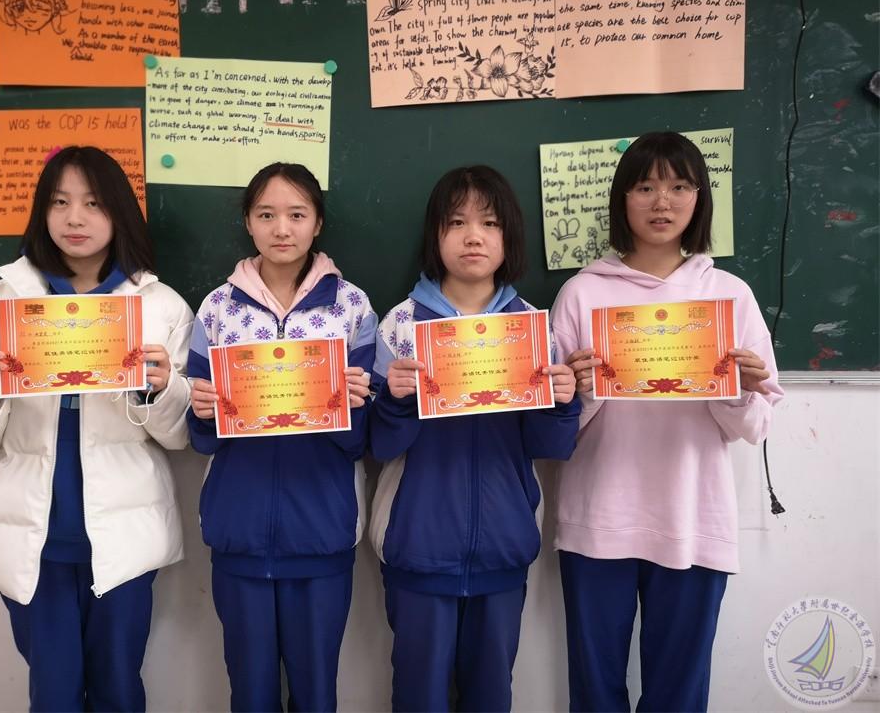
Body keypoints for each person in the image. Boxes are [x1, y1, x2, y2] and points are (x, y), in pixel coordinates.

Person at [0, 146, 193, 711]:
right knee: (53, 694)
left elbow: (181, 435)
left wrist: (160, 390)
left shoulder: (160, 307)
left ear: (119, 213)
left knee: (119, 689)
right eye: (59, 202)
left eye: (93, 203)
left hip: (123, 538)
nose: (75, 218)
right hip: (32, 540)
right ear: (42, 212)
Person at [551, 131, 784, 712]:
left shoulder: (729, 295)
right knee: (595, 689)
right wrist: (581, 392)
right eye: (645, 187)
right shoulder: (581, 293)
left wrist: (740, 390)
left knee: (679, 692)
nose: (662, 202)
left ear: (700, 199)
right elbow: (552, 429)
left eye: (680, 187)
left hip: (693, 515)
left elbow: (756, 426)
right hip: (599, 518)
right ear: (622, 199)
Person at [368, 165, 581, 712]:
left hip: (503, 545)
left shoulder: (533, 327)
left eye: (489, 223)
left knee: (491, 694)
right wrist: (395, 400)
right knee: (418, 695)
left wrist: (562, 402)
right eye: (456, 222)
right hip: (418, 545)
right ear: (435, 234)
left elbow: (550, 446)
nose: (473, 237)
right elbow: (380, 446)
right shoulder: (400, 326)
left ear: (509, 236)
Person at [187, 162, 376, 712]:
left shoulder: (352, 307)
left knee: (316, 693)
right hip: (239, 531)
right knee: (250, 693)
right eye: (266, 215)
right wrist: (202, 411)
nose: (282, 229)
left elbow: (363, 439)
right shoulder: (218, 309)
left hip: (321, 529)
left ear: (318, 223)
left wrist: (354, 405)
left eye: (297, 214)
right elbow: (201, 436)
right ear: (248, 222)